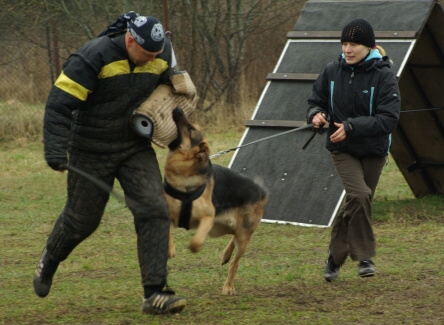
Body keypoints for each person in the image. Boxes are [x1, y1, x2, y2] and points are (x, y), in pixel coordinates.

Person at [33, 12, 187, 314]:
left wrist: (177, 119)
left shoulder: (160, 52)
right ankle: (49, 259)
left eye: (157, 54)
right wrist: (55, 150)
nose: (153, 60)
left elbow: (174, 88)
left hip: (134, 145)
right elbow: (59, 105)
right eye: (147, 54)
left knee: (154, 209)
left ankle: (154, 293)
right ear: (130, 40)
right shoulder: (93, 56)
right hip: (90, 148)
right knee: (82, 221)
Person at [306, 19, 400, 281]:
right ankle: (365, 256)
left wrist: (352, 126)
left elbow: (389, 119)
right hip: (342, 147)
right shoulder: (331, 71)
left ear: (368, 46)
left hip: (374, 149)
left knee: (356, 202)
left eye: (353, 44)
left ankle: (334, 259)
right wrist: (316, 115)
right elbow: (315, 101)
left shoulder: (384, 76)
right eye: (344, 43)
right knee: (359, 195)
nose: (347, 49)